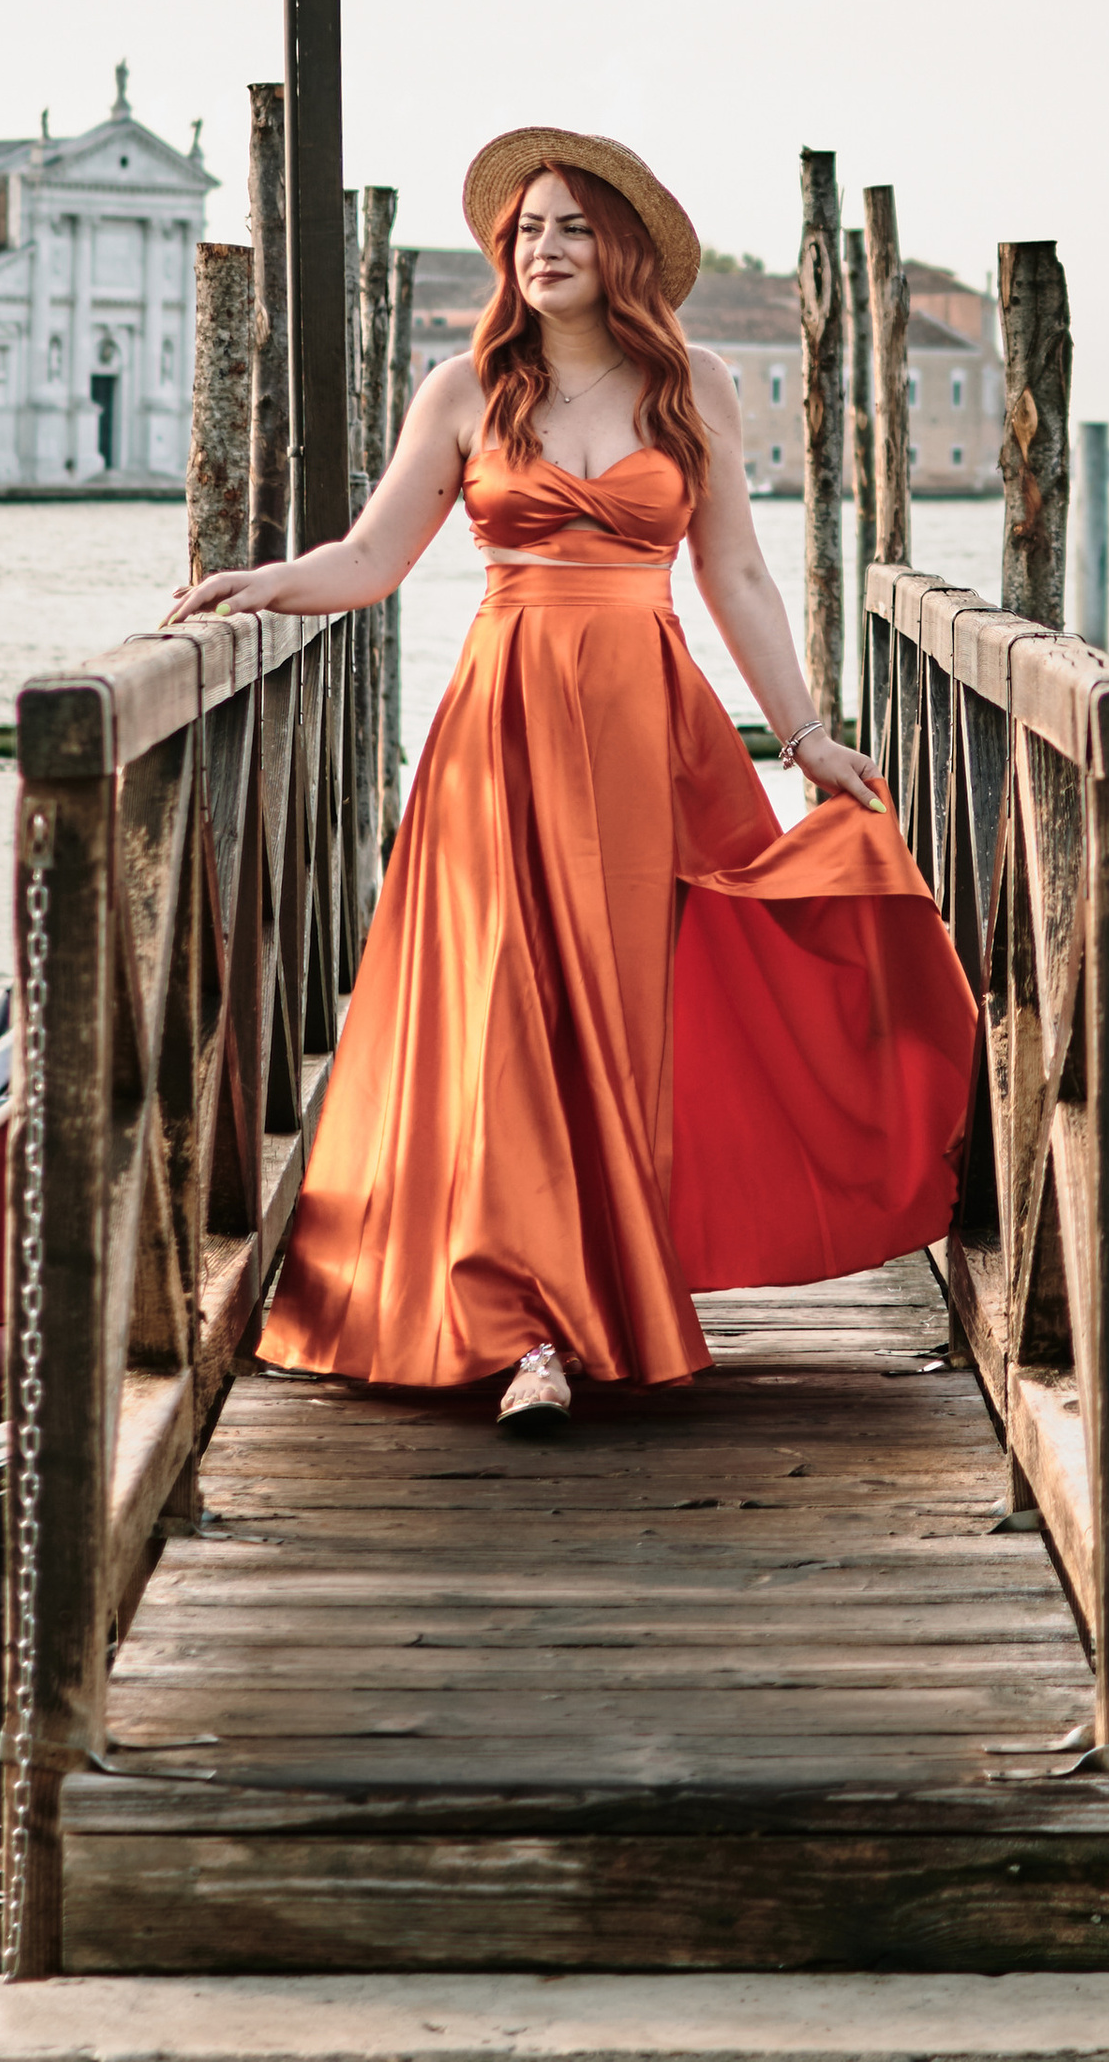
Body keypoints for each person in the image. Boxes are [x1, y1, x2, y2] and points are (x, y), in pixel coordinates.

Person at [167, 125, 977, 1433]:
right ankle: (529, 1330)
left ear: (623, 251)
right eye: (529, 229)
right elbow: (372, 558)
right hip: (501, 732)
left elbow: (740, 578)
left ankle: (598, 1294)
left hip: (652, 732)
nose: (545, 248)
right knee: (507, 1014)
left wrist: (808, 737)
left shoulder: (695, 386)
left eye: (572, 228)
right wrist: (266, 588)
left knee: (617, 1016)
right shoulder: (466, 388)